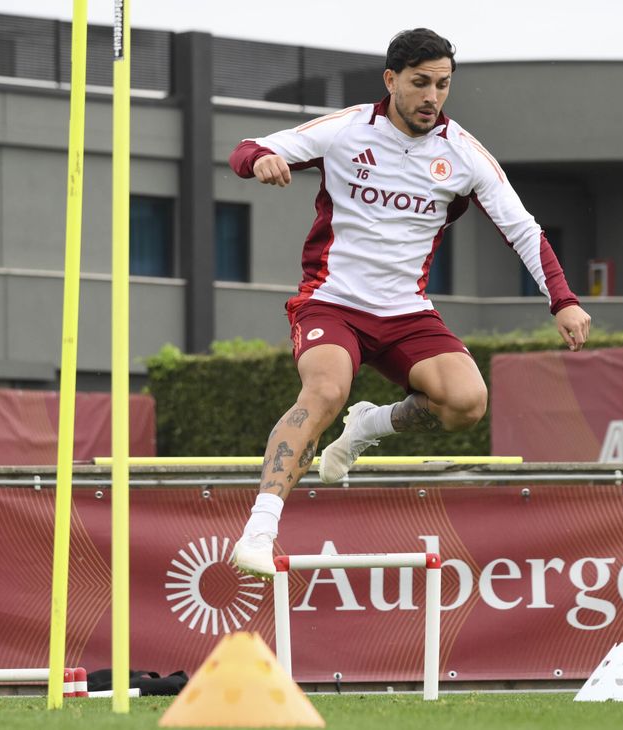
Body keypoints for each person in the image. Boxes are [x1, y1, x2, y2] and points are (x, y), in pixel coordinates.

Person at [227, 29, 591, 578]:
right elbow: (248, 148)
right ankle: (259, 530)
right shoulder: (347, 129)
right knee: (325, 389)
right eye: (420, 83)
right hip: (333, 303)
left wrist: (561, 299)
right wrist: (259, 162)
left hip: (406, 312)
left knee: (468, 403)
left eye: (443, 85)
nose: (432, 97)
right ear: (391, 80)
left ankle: (369, 426)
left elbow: (522, 229)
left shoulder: (464, 154)